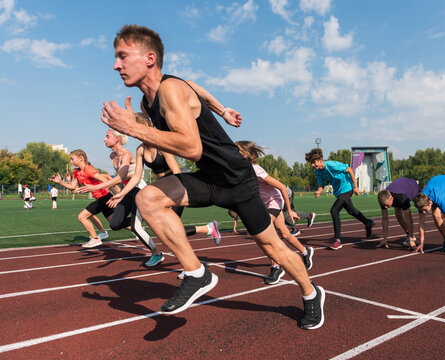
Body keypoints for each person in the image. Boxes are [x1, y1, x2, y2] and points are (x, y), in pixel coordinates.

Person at [100, 24, 324, 330]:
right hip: (209, 179)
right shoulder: (148, 101)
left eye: (123, 56)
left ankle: (311, 294)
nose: (116, 65)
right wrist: (222, 109)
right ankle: (196, 273)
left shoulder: (171, 90)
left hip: (237, 180)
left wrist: (133, 129)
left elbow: (191, 147)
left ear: (150, 58)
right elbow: (195, 86)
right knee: (148, 198)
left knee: (273, 247)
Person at [106, 113, 223, 268]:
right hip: (161, 189)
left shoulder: (162, 145)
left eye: (133, 127)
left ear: (145, 126)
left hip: (176, 186)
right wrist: (121, 193)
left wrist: (181, 194)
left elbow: (176, 171)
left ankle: (194, 265)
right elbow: (136, 176)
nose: (131, 132)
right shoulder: (140, 149)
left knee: (172, 233)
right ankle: (207, 231)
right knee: (168, 231)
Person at [79, 128, 166, 266]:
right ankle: (143, 219)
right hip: (127, 190)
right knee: (115, 224)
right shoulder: (112, 157)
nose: (104, 139)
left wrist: (97, 187)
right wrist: (118, 193)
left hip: (138, 189)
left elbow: (120, 177)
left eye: (107, 136)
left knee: (137, 227)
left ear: (117, 139)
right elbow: (119, 179)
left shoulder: (127, 154)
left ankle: (156, 253)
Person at [236, 140, 314, 285]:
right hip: (263, 204)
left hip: (275, 201)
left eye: (236, 152)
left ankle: (275, 266)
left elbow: (282, 187)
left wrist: (289, 210)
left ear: (245, 155)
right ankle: (305, 252)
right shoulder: (242, 171)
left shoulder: (256, 170)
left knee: (265, 231)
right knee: (284, 234)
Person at [305, 148, 375, 250]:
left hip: (347, 187)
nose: (312, 165)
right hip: (338, 192)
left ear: (320, 159)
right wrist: (319, 191)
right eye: (311, 163)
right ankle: (368, 223)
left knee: (334, 210)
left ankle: (337, 240)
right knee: (351, 211)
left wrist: (355, 186)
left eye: (314, 162)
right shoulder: (318, 172)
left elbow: (350, 169)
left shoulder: (332, 165)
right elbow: (321, 184)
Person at [50, 150, 111, 248]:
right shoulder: (76, 172)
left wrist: (117, 192)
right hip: (101, 199)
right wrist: (61, 182)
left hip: (105, 197)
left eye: (72, 159)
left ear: (81, 159)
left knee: (82, 216)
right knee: (116, 224)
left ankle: (95, 238)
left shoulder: (89, 170)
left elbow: (105, 180)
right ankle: (135, 226)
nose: (71, 161)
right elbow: (73, 189)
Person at [377, 177, 419, 249]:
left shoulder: (402, 198)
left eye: (387, 205)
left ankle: (411, 237)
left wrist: (411, 240)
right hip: (399, 189)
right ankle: (409, 234)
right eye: (384, 205)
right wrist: (385, 238)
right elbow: (385, 218)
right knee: (398, 215)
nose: (386, 207)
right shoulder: (382, 198)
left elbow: (409, 219)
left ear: (391, 199)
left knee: (420, 206)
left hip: (412, 187)